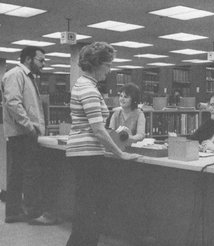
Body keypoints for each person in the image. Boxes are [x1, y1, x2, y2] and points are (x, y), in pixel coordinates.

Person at [66, 41, 140, 246]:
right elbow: (98, 130)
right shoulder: (89, 89)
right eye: (107, 65)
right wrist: (120, 154)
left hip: (83, 153)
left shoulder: (84, 85)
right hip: (87, 155)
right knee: (90, 212)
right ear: (96, 64)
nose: (109, 70)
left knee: (86, 210)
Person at [2, 46, 58, 224]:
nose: (43, 64)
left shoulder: (26, 77)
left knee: (18, 173)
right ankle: (34, 214)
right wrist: (29, 127)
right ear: (28, 59)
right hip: (22, 133)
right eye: (40, 60)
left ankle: (13, 212)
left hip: (23, 133)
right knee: (30, 173)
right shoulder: (15, 75)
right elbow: (13, 103)